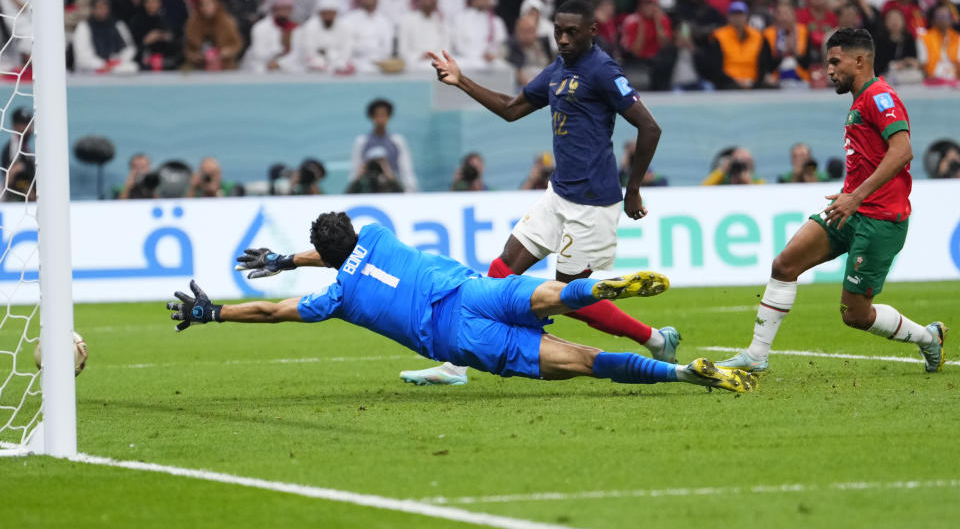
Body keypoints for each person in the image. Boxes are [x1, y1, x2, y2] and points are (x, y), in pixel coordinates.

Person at [407, 0, 679, 386]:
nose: (563, 40)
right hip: (558, 196)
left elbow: (650, 128)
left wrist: (633, 190)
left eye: (571, 33)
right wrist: (461, 79)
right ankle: (456, 366)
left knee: (568, 300)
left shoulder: (602, 70)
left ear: (591, 32)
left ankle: (654, 338)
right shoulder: (558, 68)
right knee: (500, 273)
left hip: (593, 205)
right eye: (558, 32)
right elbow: (512, 108)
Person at [177, 212, 755, 394]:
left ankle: (681, 374)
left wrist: (214, 312)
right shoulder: (377, 233)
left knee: (577, 359)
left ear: (323, 255)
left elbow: (274, 311)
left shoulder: (337, 297)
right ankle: (597, 286)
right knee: (551, 294)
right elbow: (336, 250)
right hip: (474, 288)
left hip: (461, 338)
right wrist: (287, 257)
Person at [719, 28, 947, 375]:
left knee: (855, 315)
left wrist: (856, 195)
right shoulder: (860, 101)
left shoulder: (880, 96)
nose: (829, 70)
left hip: (880, 220)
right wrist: (851, 194)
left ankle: (928, 338)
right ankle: (756, 355)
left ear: (859, 60)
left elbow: (902, 152)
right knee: (784, 265)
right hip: (849, 210)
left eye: (835, 62)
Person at [349, 99, 418, 193]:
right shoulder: (362, 141)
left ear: (389, 116)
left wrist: (410, 191)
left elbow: (406, 171)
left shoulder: (397, 141)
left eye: (384, 115)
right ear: (371, 117)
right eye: (377, 115)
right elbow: (354, 170)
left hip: (392, 189)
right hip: (369, 190)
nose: (380, 119)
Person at [72, 0, 138, 75]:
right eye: (99, 8)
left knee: (132, 67)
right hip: (91, 69)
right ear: (92, 9)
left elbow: (130, 48)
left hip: (115, 67)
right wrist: (102, 65)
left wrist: (116, 61)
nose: (102, 11)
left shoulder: (118, 25)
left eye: (105, 8)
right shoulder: (83, 27)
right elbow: (82, 57)